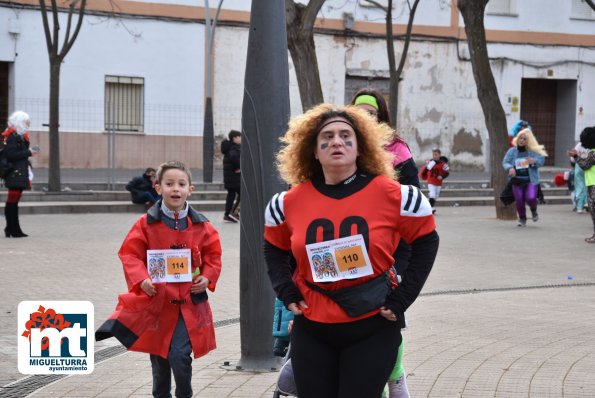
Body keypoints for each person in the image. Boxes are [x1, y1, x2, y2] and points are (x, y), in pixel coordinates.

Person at [263, 103, 439, 398]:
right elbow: (273, 248)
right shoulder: (285, 204)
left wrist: (402, 299)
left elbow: (427, 242)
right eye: (326, 137)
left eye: (346, 136)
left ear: (361, 147)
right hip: (313, 327)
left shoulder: (397, 196)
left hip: (372, 325)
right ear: (313, 150)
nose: (336, 141)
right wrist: (286, 292)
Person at [95, 160, 222, 398]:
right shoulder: (145, 224)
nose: (176, 189)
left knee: (179, 355)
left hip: (189, 303)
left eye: (181, 184)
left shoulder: (203, 226)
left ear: (190, 190)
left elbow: (214, 256)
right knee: (160, 358)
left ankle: (185, 394)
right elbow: (130, 254)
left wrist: (207, 277)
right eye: (170, 183)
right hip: (158, 302)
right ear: (158, 188)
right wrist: (141, 279)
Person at [350, 88, 418, 397]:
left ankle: (396, 375)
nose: (365, 117)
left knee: (390, 317)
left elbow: (414, 200)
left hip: (393, 247)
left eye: (372, 113)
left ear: (381, 117)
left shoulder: (398, 152)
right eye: (360, 111)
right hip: (351, 246)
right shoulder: (344, 146)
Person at [2, 111, 39, 238]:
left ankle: (12, 228)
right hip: (14, 172)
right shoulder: (13, 137)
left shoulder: (20, 136)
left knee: (14, 201)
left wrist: (29, 152)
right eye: (26, 121)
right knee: (12, 201)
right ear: (20, 122)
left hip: (19, 172)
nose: (29, 123)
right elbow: (11, 155)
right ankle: (13, 229)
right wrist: (28, 152)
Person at [502, 129, 547, 227]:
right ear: (517, 139)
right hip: (517, 180)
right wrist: (510, 168)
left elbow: (541, 160)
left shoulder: (532, 151)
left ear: (528, 141)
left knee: (530, 197)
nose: (522, 140)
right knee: (519, 200)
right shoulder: (512, 151)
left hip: (530, 180)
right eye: (520, 138)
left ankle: (534, 210)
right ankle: (522, 219)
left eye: (524, 139)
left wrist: (534, 161)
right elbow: (505, 161)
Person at [568, 126, 595, 243]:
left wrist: (575, 157)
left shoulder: (593, 153)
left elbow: (585, 165)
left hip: (593, 184)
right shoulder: (591, 152)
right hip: (591, 182)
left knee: (593, 210)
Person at [419, 149, 450, 214]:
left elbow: (447, 173)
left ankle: (430, 206)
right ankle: (429, 208)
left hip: (438, 183)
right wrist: (426, 168)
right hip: (431, 181)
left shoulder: (443, 164)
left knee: (436, 196)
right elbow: (425, 171)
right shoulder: (431, 162)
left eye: (436, 155)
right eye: (433, 155)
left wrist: (442, 176)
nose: (434, 156)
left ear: (439, 155)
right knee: (432, 194)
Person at [221, 130, 241, 223]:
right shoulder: (234, 147)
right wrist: (238, 167)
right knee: (243, 194)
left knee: (231, 195)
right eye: (239, 137)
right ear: (234, 138)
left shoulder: (228, 148)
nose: (241, 139)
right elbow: (234, 157)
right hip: (234, 177)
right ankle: (233, 213)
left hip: (229, 177)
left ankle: (227, 214)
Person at [569, 141, 589, 213]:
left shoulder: (579, 144)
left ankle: (579, 207)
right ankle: (587, 203)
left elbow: (572, 158)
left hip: (579, 166)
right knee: (588, 185)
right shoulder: (592, 145)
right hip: (589, 166)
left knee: (579, 186)